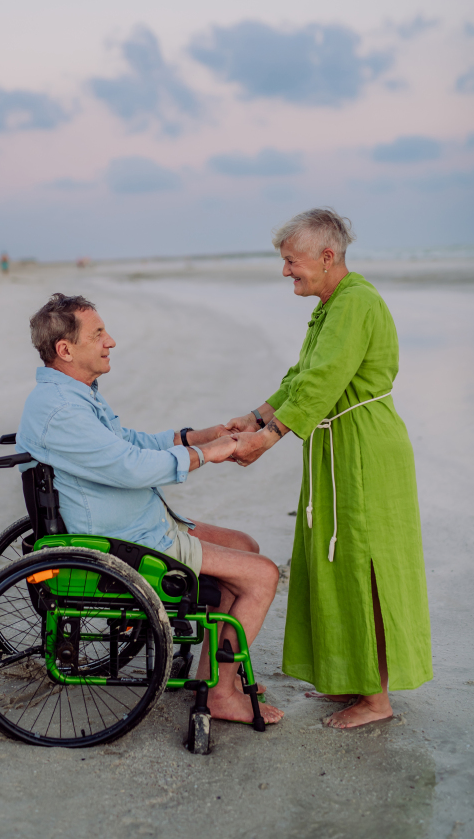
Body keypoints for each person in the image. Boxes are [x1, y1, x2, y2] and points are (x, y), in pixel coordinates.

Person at [16, 293, 283, 725]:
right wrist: (212, 454)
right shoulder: (61, 410)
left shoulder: (74, 396)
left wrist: (200, 436)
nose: (111, 342)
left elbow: (130, 443)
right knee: (263, 574)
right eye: (98, 334)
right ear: (65, 350)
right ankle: (219, 694)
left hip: (138, 523)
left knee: (244, 546)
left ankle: (217, 675)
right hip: (123, 543)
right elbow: (131, 467)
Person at [226, 209, 432, 729]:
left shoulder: (355, 302)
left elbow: (324, 382)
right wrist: (256, 415)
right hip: (334, 445)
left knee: (367, 568)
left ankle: (377, 699)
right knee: (334, 564)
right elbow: (302, 375)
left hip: (364, 450)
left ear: (326, 256)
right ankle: (349, 678)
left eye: (291, 262)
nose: (285, 272)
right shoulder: (331, 303)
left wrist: (268, 438)